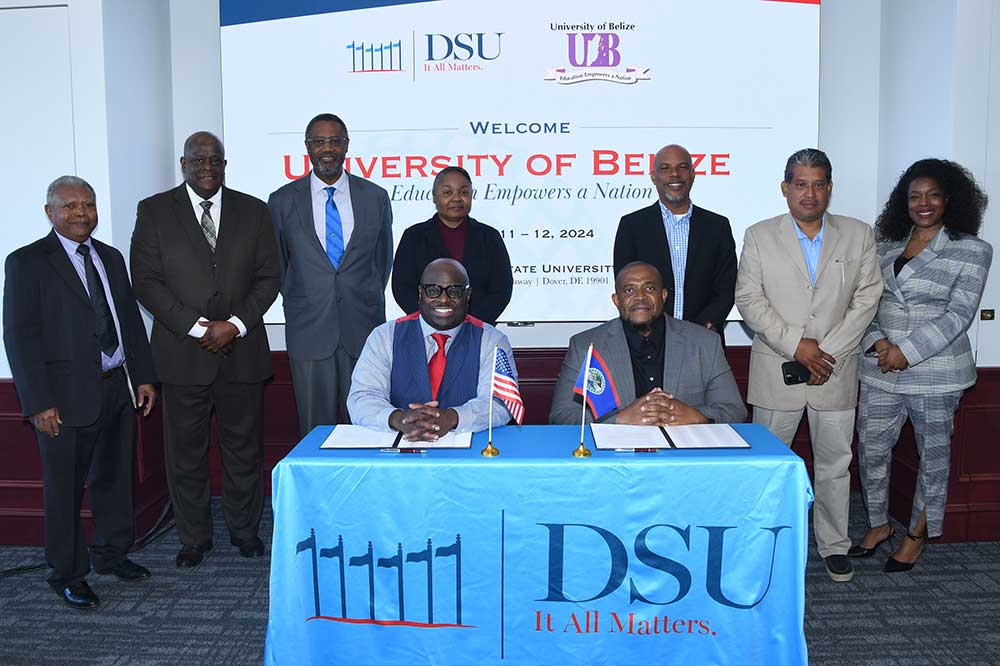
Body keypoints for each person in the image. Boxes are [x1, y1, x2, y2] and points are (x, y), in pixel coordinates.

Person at [3, 176, 157, 609]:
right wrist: (37, 403)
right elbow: (19, 336)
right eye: (69, 206)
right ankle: (67, 574)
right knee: (64, 489)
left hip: (115, 388)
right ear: (49, 211)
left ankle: (112, 555)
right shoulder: (27, 262)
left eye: (87, 205)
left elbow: (127, 320)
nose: (80, 214)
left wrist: (143, 376)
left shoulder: (109, 257)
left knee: (113, 480)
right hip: (61, 401)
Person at [131, 132, 280, 567]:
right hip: (182, 356)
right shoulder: (154, 210)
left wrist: (233, 325)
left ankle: (244, 530)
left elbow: (270, 277)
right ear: (184, 163)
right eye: (198, 160)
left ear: (225, 163)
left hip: (242, 352)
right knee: (185, 454)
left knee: (244, 451)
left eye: (215, 159)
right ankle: (193, 537)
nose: (207, 167)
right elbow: (145, 281)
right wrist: (197, 328)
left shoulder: (254, 210)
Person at [735, 148, 882, 583]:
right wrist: (797, 345)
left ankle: (834, 545)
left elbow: (867, 298)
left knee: (835, 463)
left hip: (835, 370)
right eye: (801, 184)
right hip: (778, 368)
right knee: (770, 464)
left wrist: (824, 353)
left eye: (819, 184)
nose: (810, 193)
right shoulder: (759, 235)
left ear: (830, 189)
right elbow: (749, 300)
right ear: (785, 189)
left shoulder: (858, 235)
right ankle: (764, 543)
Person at [850, 159, 992, 572]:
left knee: (933, 458)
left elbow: (959, 314)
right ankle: (878, 524)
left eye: (932, 195)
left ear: (950, 198)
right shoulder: (884, 245)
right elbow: (864, 302)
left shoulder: (973, 250)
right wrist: (876, 340)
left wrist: (906, 352)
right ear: (903, 202)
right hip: (879, 366)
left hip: (936, 372)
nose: (923, 203)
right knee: (872, 449)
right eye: (914, 196)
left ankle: (916, 535)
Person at [268, 113, 393, 436]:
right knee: (314, 431)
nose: (328, 149)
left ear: (347, 146)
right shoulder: (282, 201)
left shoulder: (375, 197)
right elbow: (279, 265)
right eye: (320, 141)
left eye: (335, 141)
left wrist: (360, 294)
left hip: (362, 329)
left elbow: (382, 260)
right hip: (310, 330)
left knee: (367, 428)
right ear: (307, 147)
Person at [549, 261, 746, 426]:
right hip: (616, 461)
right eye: (629, 290)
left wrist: (697, 415)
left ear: (664, 296)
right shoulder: (586, 345)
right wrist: (619, 419)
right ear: (616, 300)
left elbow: (734, 410)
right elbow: (562, 416)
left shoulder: (704, 342)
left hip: (685, 460)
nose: (640, 296)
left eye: (650, 288)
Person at [348, 258, 517, 440]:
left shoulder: (492, 340)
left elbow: (500, 403)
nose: (444, 299)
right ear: (420, 293)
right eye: (433, 291)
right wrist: (400, 419)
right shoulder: (384, 336)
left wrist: (451, 418)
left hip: (470, 453)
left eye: (454, 291)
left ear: (468, 295)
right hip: (398, 450)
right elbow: (361, 398)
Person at [613, 144, 737, 337]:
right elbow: (626, 286)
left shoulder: (717, 226)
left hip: (703, 339)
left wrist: (699, 331)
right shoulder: (632, 226)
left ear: (693, 174)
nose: (674, 174)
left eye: (682, 167)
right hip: (647, 338)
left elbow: (726, 289)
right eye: (665, 168)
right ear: (653, 177)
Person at [391, 166, 513, 325]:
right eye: (448, 192)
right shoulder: (414, 236)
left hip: (477, 330)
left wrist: (470, 323)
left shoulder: (489, 237)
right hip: (426, 329)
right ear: (434, 197)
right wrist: (432, 320)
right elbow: (402, 288)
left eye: (464, 192)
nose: (456, 198)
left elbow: (501, 290)